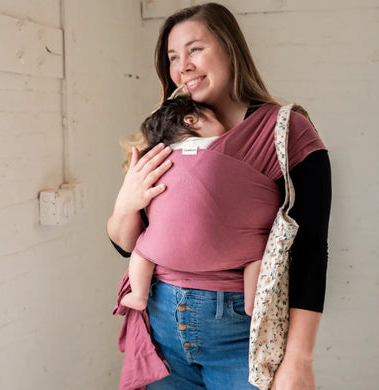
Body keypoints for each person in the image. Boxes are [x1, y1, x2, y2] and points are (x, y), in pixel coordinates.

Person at [107, 3, 331, 390]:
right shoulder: (170, 130)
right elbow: (127, 244)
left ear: (230, 48)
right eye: (174, 57)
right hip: (160, 327)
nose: (183, 66)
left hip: (242, 337)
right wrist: (125, 203)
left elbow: (311, 249)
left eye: (195, 49)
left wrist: (299, 358)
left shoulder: (285, 130)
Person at [121, 95, 261, 315]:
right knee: (258, 254)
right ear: (192, 121)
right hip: (229, 253)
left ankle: (139, 294)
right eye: (215, 118)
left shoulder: (157, 159)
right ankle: (253, 304)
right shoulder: (222, 148)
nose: (225, 128)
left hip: (162, 251)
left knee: (141, 251)